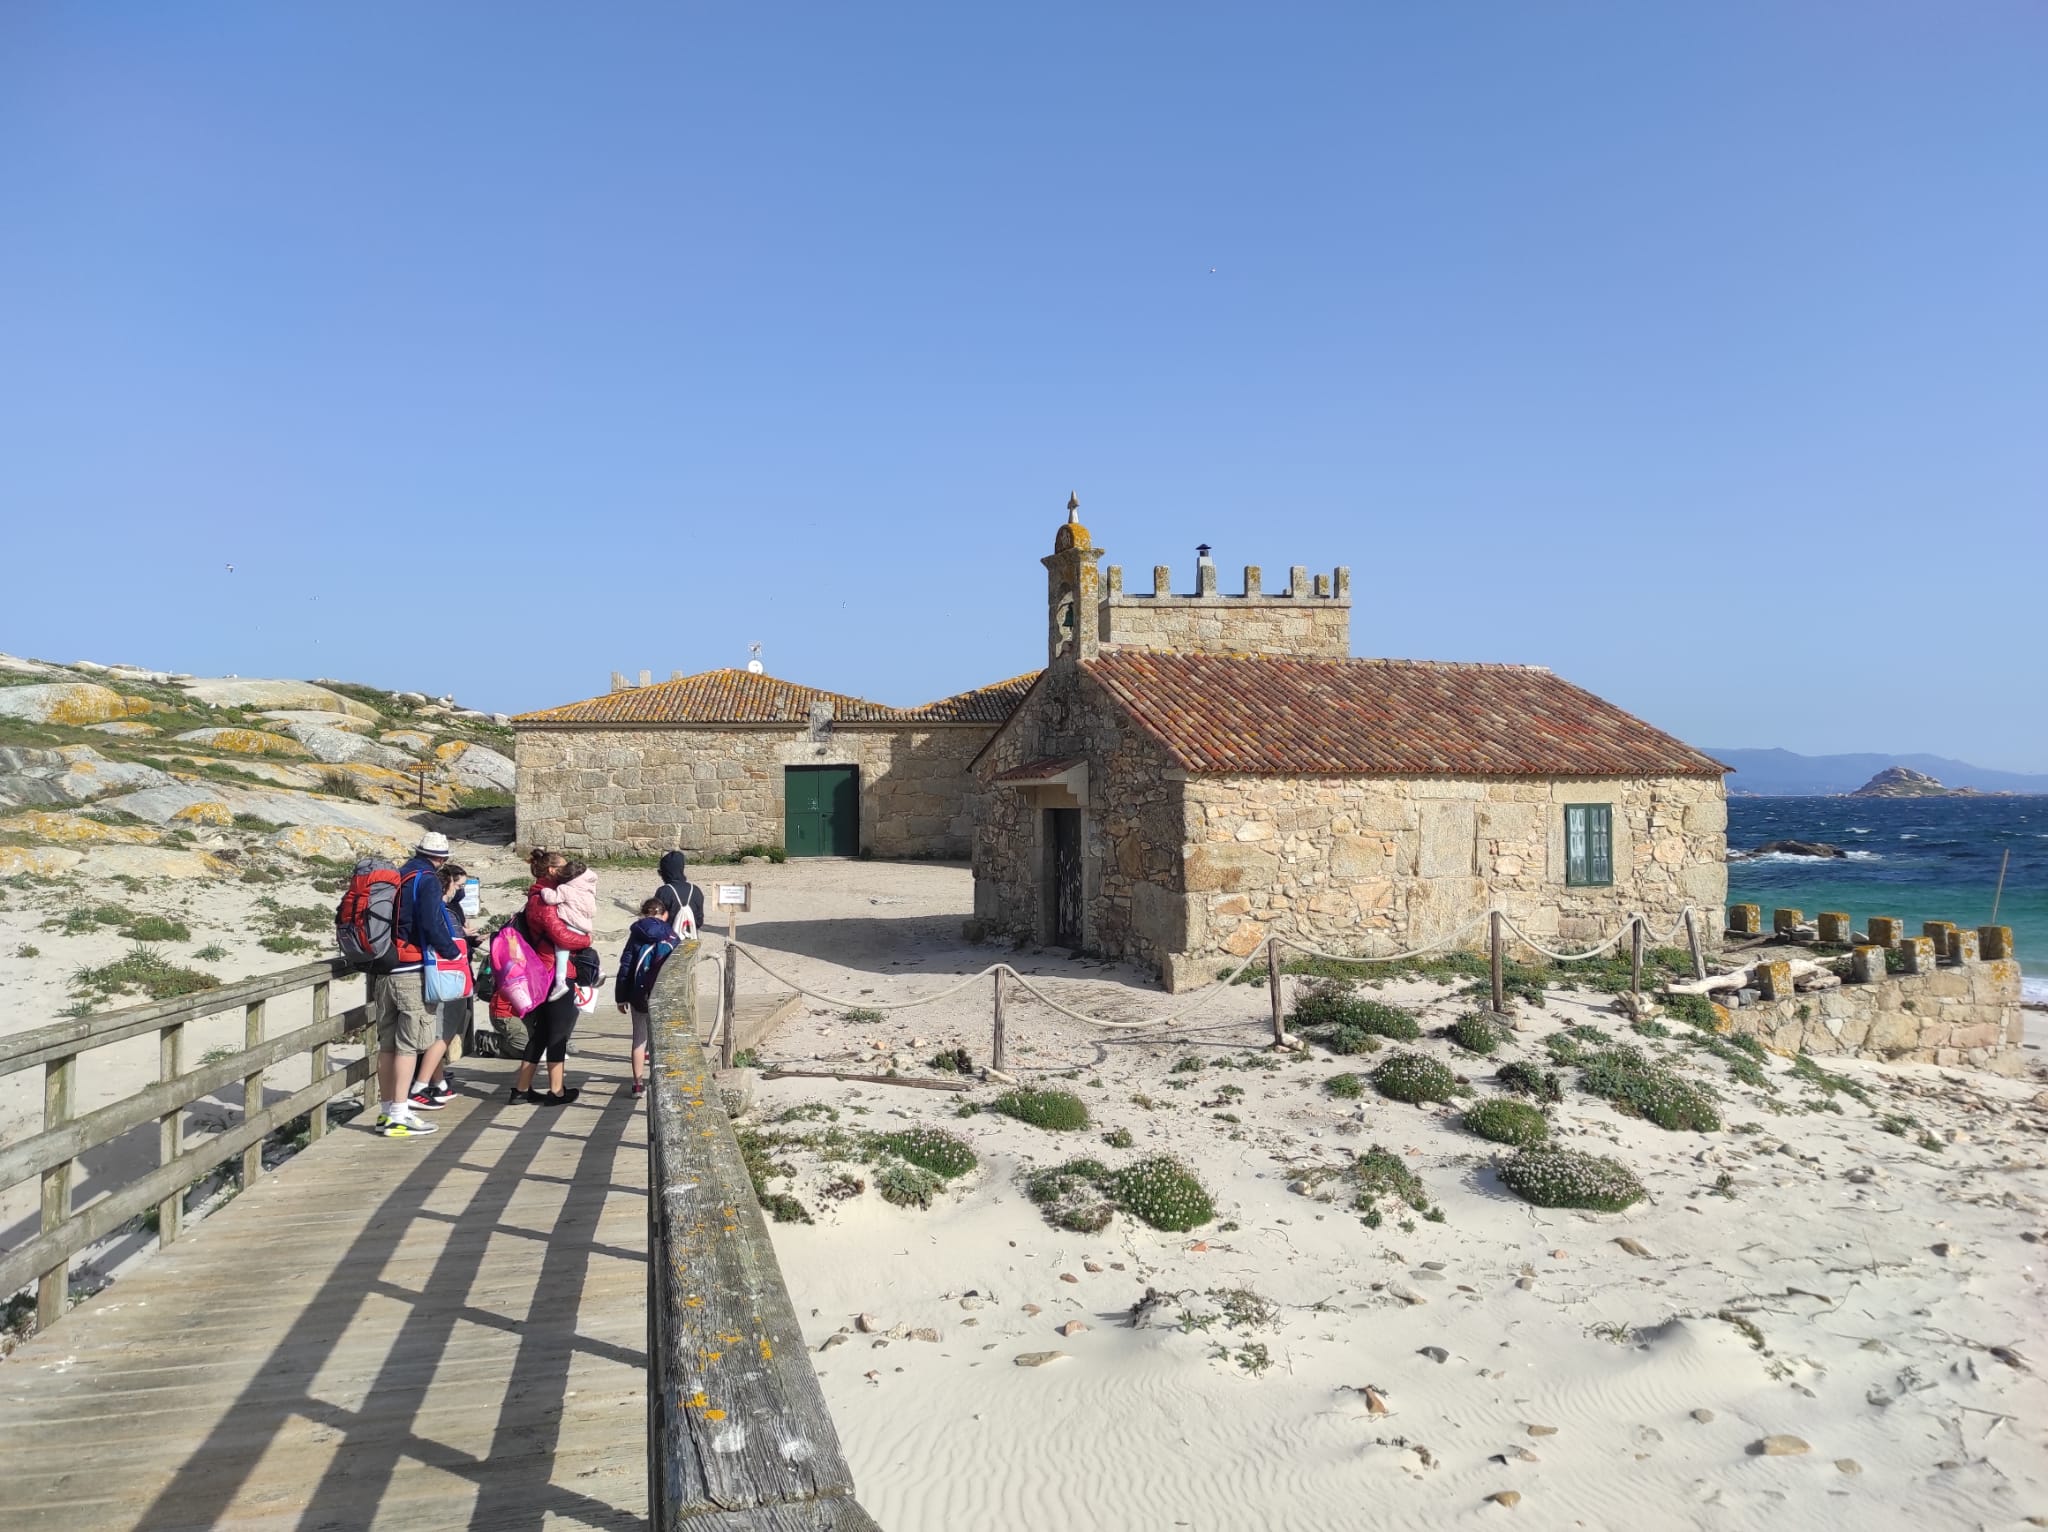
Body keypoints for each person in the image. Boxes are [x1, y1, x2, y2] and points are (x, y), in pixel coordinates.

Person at [370, 831, 461, 1138]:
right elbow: (431, 922)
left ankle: (386, 1111)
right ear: (442, 859)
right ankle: (399, 1114)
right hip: (411, 970)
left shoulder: (400, 874)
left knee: (387, 1044)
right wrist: (451, 951)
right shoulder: (427, 880)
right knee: (408, 1046)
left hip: (386, 968)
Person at [508, 848, 591, 1106]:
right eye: (563, 867)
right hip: (554, 972)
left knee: (543, 1032)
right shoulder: (544, 900)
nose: (568, 871)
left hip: (542, 970)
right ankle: (556, 1091)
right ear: (553, 870)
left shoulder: (537, 896)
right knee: (558, 1032)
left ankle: (521, 1090)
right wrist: (586, 939)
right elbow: (560, 936)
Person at [405, 862, 477, 1114]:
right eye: (458, 885)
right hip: (448, 979)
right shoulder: (444, 913)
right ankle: (420, 1086)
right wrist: (460, 947)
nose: (460, 891)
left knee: (436, 1033)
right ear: (448, 884)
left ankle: (439, 1083)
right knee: (444, 1033)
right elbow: (451, 945)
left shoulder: (433, 910)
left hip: (432, 976)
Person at [615, 897, 679, 1097]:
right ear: (665, 914)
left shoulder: (636, 934)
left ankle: (637, 1084)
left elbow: (626, 966)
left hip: (639, 994)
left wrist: (620, 997)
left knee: (639, 1038)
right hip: (664, 995)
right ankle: (663, 1081)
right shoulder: (671, 935)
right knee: (663, 1038)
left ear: (642, 914)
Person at [539, 859, 599, 1001]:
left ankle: (560, 982)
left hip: (570, 925)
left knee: (562, 952)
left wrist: (544, 890)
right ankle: (599, 970)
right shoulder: (588, 891)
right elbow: (593, 911)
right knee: (581, 950)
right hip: (585, 927)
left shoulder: (565, 889)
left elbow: (551, 899)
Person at [653, 850, 705, 941]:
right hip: (690, 942)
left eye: (661, 872)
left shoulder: (663, 892)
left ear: (666, 872)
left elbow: (655, 921)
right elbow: (699, 921)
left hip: (668, 943)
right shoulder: (696, 890)